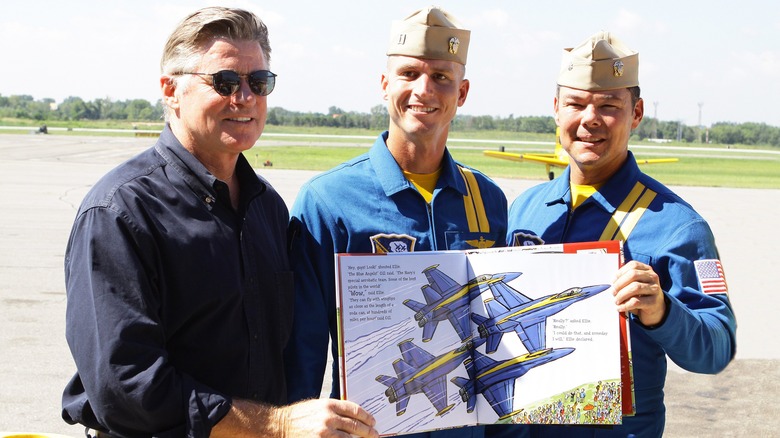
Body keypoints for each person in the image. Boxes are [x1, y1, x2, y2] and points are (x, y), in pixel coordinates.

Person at [61, 7, 377, 437]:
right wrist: (276, 425)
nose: (244, 97)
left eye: (259, 82)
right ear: (170, 90)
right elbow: (125, 387)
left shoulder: (268, 208)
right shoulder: (120, 212)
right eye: (225, 82)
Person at [284, 6, 509, 437]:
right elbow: (303, 354)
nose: (424, 89)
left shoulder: (488, 200)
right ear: (385, 85)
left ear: (461, 93)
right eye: (409, 74)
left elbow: (493, 342)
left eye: (441, 77)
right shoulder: (328, 201)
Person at [506, 31, 737, 437]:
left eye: (609, 106)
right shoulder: (525, 209)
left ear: (637, 112)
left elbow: (716, 349)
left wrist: (662, 311)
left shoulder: (678, 226)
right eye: (576, 104)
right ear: (556, 109)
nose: (590, 119)